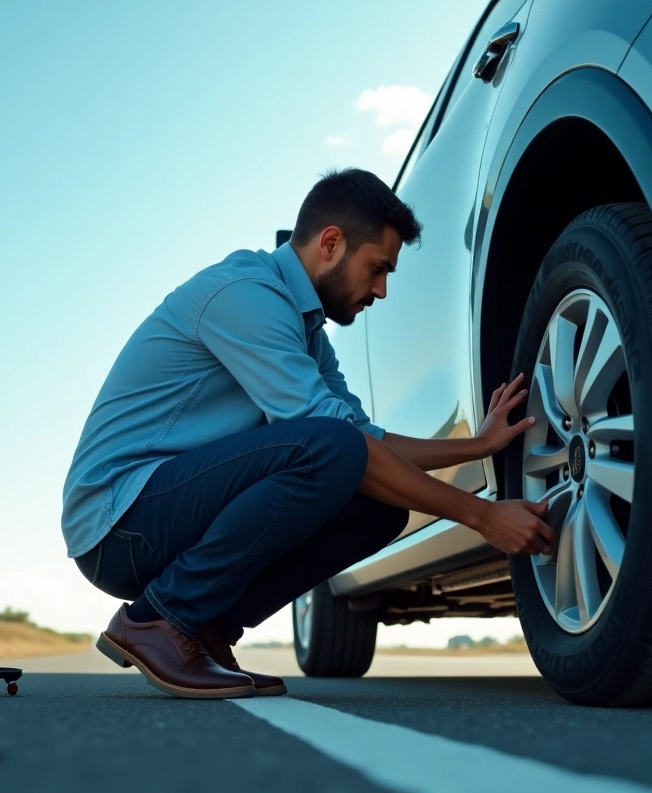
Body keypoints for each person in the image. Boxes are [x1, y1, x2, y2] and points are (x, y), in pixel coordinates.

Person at [61, 168, 554, 700]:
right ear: (331, 243)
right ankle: (160, 619)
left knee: (377, 508)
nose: (382, 291)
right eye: (378, 268)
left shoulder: (306, 330)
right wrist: (482, 516)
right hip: (120, 525)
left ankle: (205, 627)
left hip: (165, 512)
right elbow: (338, 444)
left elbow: (363, 439)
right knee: (333, 448)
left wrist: (475, 445)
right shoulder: (246, 294)